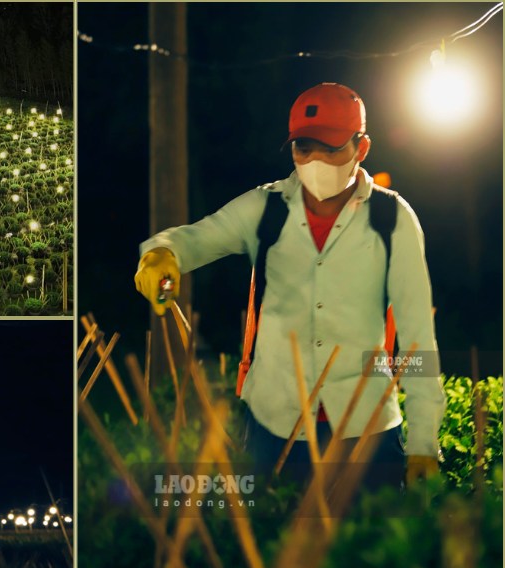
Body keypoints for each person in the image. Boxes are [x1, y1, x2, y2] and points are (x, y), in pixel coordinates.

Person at [134, 83, 445, 490]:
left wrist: (423, 440)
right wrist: (160, 254)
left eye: (331, 148)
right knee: (269, 548)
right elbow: (194, 239)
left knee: (363, 550)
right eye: (303, 147)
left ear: (362, 147)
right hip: (272, 428)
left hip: (365, 433)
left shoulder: (392, 219)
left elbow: (419, 337)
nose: (315, 160)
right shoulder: (264, 209)